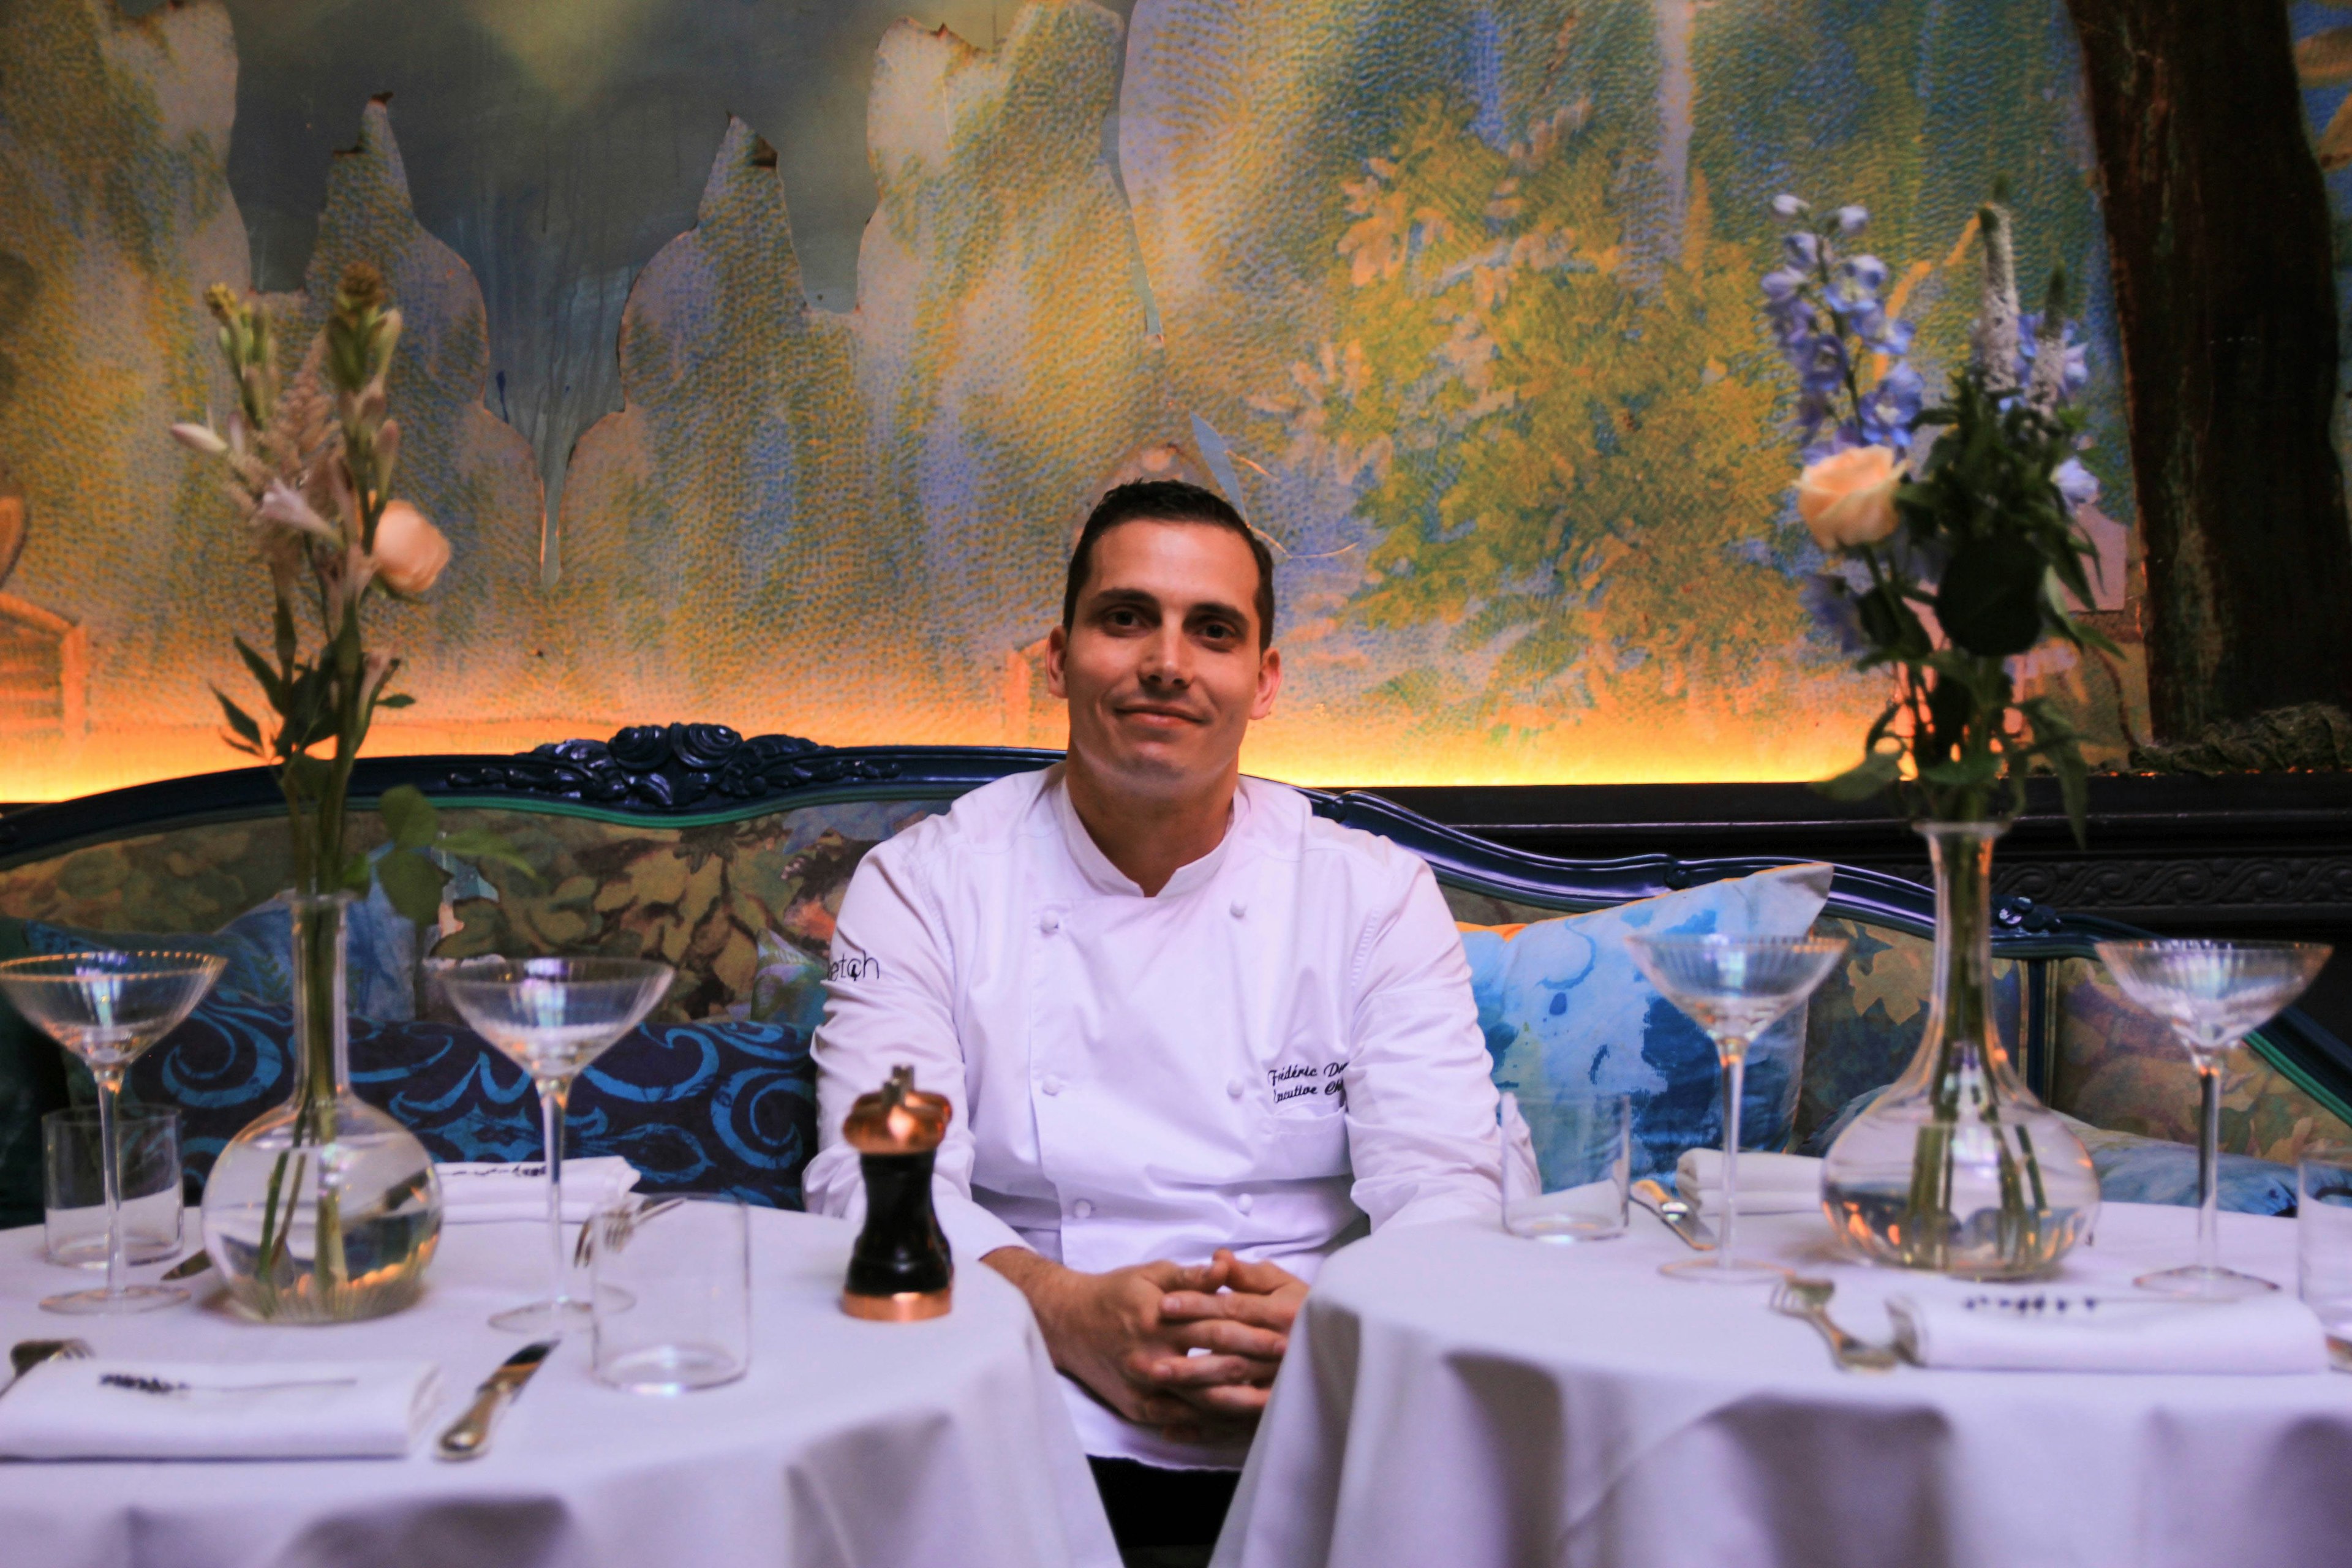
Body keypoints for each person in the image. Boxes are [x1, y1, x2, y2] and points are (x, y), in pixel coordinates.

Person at [805, 478, 1502, 1560]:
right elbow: (871, 1187)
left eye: (1212, 631)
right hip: (1015, 1377)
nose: (1167, 661)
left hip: (1322, 1379)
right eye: (1127, 617)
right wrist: (1064, 1311)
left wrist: (1327, 1325)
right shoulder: (924, 885)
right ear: (1058, 657)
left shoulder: (1372, 896)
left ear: (1262, 681)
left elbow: (1449, 1184)